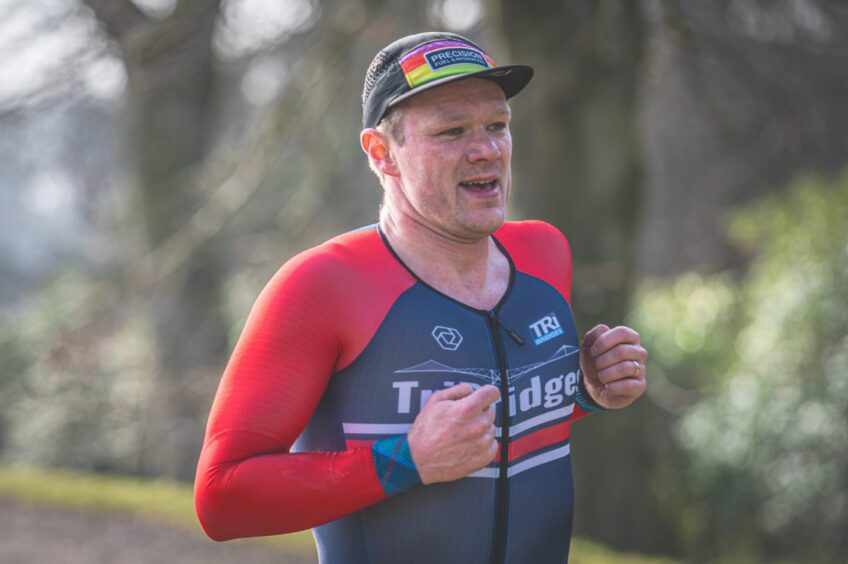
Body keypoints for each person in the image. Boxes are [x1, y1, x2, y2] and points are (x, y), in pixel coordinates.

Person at [194, 31, 647, 564]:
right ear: (382, 153)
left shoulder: (545, 255)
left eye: (497, 126)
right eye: (451, 131)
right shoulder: (321, 287)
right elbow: (221, 499)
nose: (485, 150)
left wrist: (586, 392)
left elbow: (488, 432)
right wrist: (404, 462)